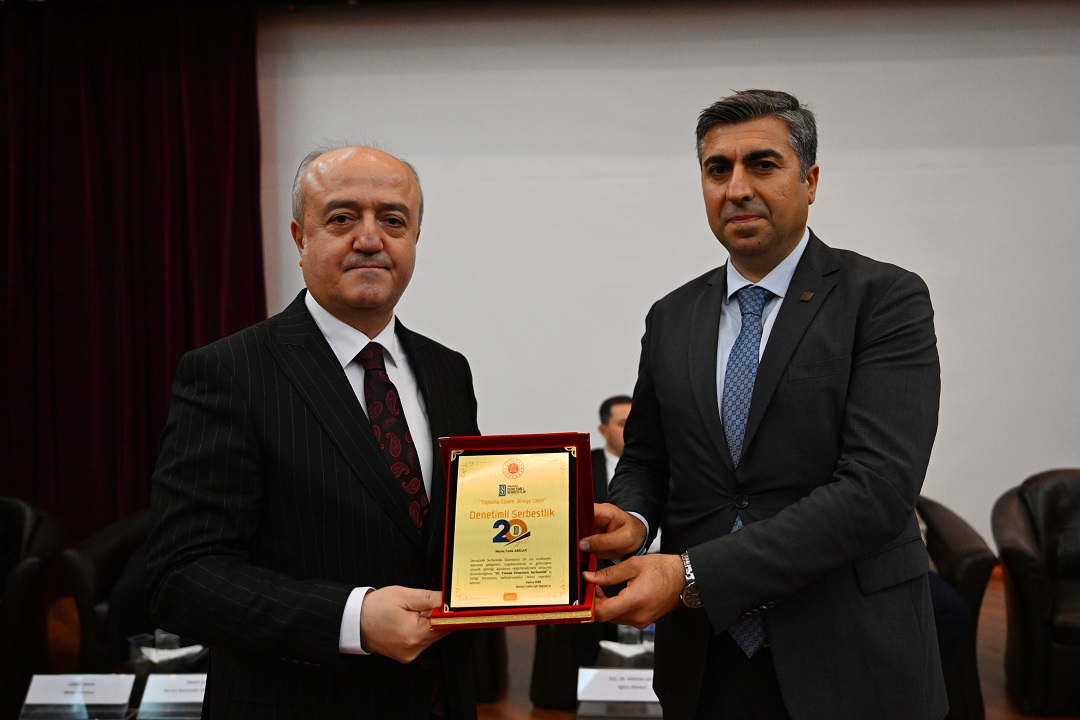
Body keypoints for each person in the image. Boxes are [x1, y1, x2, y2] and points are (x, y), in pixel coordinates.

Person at [579, 90, 946, 719]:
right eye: (717, 169)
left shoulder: (884, 298)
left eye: (763, 165)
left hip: (850, 649)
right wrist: (634, 519)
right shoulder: (671, 316)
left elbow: (877, 490)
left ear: (810, 180)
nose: (737, 188)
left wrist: (692, 575)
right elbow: (647, 458)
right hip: (706, 660)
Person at [146, 146, 483, 719]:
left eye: (393, 220)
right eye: (342, 218)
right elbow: (181, 577)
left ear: (415, 240)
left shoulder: (448, 370)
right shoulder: (228, 372)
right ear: (301, 239)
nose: (370, 239)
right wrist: (352, 619)